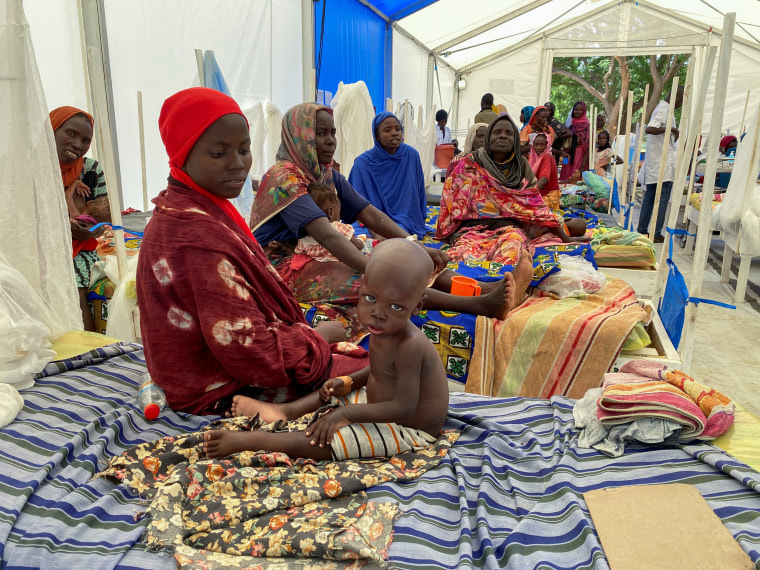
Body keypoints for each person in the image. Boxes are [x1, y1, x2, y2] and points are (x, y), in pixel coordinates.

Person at [136, 88, 368, 416]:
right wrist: (314, 341)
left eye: (244, 150)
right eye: (219, 153)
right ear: (183, 153)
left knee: (368, 359)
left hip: (207, 365)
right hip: (216, 384)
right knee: (376, 373)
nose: (238, 164)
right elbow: (249, 353)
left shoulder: (195, 209)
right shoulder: (196, 236)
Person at [250, 104, 517, 341]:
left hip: (318, 251)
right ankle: (481, 305)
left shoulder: (324, 172)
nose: (330, 141)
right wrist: (376, 269)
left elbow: (370, 213)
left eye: (332, 133)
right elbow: (327, 236)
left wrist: (414, 247)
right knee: (382, 280)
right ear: (300, 136)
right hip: (283, 267)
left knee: (402, 257)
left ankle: (483, 288)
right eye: (320, 134)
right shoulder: (283, 177)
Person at [203, 239, 448, 461]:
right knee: (331, 391)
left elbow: (404, 407)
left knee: (331, 439)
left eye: (395, 306)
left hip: (407, 427)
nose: (378, 313)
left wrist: (349, 415)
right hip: (382, 404)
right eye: (370, 299)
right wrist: (350, 381)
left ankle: (255, 442)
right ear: (361, 291)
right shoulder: (384, 329)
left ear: (417, 306)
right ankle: (285, 411)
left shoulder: (410, 345)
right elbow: (381, 368)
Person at [437, 114, 578, 288]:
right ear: (489, 138)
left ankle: (495, 288)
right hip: (471, 231)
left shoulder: (521, 167)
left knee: (510, 258)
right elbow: (450, 201)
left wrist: (565, 237)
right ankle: (476, 289)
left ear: (515, 139)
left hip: (508, 230)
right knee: (458, 259)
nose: (503, 136)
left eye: (508, 133)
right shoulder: (468, 164)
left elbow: (534, 205)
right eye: (497, 132)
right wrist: (450, 232)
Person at [50, 106, 108, 332]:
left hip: (80, 244)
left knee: (77, 286)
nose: (78, 144)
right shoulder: (32, 167)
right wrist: (63, 227)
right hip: (40, 244)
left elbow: (104, 216)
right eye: (71, 134)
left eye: (86, 140)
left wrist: (93, 230)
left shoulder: (91, 169)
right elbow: (20, 217)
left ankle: (87, 349)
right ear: (51, 130)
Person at [349, 112, 427, 238]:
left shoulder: (411, 155)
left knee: (397, 232)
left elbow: (419, 193)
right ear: (377, 136)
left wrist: (418, 219)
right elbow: (354, 202)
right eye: (387, 130)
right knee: (354, 234)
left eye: (398, 129)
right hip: (370, 219)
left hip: (405, 218)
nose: (395, 133)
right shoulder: (363, 163)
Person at [636, 87, 684, 243]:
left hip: (659, 162)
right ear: (677, 97)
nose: (681, 104)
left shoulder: (665, 109)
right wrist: (672, 129)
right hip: (661, 163)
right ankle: (655, 232)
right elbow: (650, 128)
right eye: (681, 101)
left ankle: (642, 230)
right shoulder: (663, 109)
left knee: (650, 197)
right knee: (661, 198)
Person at [294, 183, 365, 262]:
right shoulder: (338, 228)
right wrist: (361, 239)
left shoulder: (304, 236)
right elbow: (357, 246)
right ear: (330, 212)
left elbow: (298, 253)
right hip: (341, 269)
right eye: (338, 212)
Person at [560, 101, 591, 181]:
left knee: (576, 176)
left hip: (579, 154)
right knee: (565, 172)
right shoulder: (570, 124)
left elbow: (587, 147)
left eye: (580, 110)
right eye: (575, 109)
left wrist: (583, 166)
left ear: (584, 111)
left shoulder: (586, 125)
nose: (577, 111)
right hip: (568, 154)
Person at [529, 133, 560, 210]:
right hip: (546, 195)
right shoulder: (538, 159)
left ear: (547, 145)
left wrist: (529, 194)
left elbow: (544, 180)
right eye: (536, 145)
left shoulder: (547, 158)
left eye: (542, 145)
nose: (538, 148)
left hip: (549, 197)